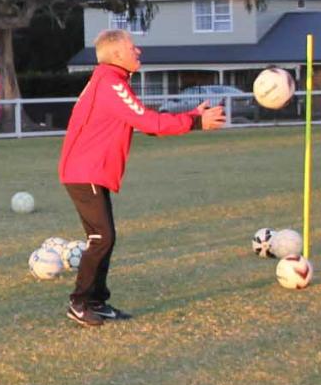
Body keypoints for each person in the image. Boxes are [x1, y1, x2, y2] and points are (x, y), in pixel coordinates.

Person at [58, 29, 225, 326]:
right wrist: (196, 121)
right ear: (117, 55)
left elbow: (144, 122)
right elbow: (149, 121)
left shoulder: (111, 81)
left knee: (104, 237)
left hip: (88, 170)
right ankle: (79, 302)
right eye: (133, 47)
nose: (139, 52)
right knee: (101, 237)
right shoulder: (110, 83)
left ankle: (97, 301)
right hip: (85, 171)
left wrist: (190, 114)